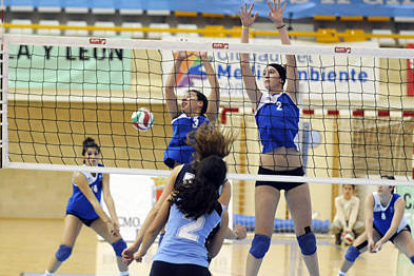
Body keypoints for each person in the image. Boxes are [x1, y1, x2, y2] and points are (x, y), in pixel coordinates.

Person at [239, 1, 320, 275]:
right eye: (265, 74)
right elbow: (244, 64)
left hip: (295, 173)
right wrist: (245, 29)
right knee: (261, 241)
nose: (266, 76)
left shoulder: (292, 95)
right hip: (268, 173)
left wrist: (279, 25)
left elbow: (291, 60)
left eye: (271, 73)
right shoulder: (258, 99)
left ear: (282, 79)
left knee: (307, 238)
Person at [122, 124, 245, 265]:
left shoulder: (180, 170)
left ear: (199, 150)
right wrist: (235, 235)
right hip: (198, 251)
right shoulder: (224, 185)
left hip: (169, 245)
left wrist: (137, 245)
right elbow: (219, 225)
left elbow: (156, 211)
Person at [44, 138, 128, 276]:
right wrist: (108, 221)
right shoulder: (79, 174)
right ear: (84, 155)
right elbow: (93, 200)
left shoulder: (103, 170)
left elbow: (107, 196)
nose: (93, 157)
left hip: (93, 216)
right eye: (89, 154)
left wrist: (115, 219)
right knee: (65, 250)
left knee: (120, 246)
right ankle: (47, 274)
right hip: (75, 213)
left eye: (95, 153)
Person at [133, 155, 229, 276]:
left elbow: (153, 230)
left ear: (199, 173)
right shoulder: (221, 212)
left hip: (163, 265)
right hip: (195, 268)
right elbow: (212, 253)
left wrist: (141, 252)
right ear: (220, 182)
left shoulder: (175, 196)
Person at [337, 176, 414, 276]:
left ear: (391, 187)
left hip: (399, 232)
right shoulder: (371, 198)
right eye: (378, 182)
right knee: (351, 251)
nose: (379, 185)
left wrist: (382, 241)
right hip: (378, 230)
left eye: (383, 183)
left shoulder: (399, 201)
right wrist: (370, 239)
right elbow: (369, 220)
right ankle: (340, 274)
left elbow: (394, 226)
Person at [163, 51, 220, 169]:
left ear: (200, 103)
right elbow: (168, 89)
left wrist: (204, 58)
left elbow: (215, 89)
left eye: (189, 96)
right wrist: (179, 59)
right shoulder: (177, 116)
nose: (184, 99)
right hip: (179, 164)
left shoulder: (208, 117)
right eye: (183, 97)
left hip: (201, 165)